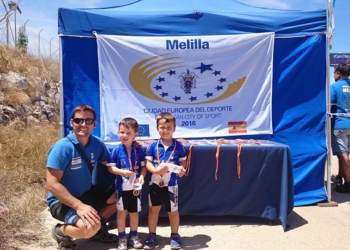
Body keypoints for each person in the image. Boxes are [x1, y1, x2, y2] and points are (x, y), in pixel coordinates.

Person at [46, 104, 118, 250]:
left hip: (86, 194)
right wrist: (79, 206)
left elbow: (110, 164)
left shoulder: (96, 144)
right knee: (90, 228)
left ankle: (99, 229)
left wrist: (133, 152)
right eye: (78, 121)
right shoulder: (62, 148)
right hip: (62, 202)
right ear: (72, 123)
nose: (83, 125)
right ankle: (60, 232)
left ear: (94, 124)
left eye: (88, 121)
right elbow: (52, 185)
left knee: (122, 197)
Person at [143, 112, 187, 250]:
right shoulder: (152, 146)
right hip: (155, 184)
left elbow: (183, 163)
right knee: (153, 209)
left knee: (172, 211)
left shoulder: (179, 146)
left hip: (171, 185)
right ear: (157, 128)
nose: (165, 130)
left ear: (174, 128)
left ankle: (174, 235)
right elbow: (147, 163)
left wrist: (182, 170)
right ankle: (151, 234)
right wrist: (155, 171)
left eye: (169, 127)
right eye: (162, 127)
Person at [106, 117, 147, 250]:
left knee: (134, 213)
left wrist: (142, 176)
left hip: (135, 188)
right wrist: (121, 172)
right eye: (122, 132)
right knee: (122, 213)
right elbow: (110, 168)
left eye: (128, 133)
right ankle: (122, 237)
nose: (124, 135)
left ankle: (133, 236)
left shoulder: (139, 150)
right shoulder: (116, 150)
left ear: (136, 134)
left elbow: (144, 166)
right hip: (121, 188)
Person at [330, 63, 350, 193]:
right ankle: (340, 178)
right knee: (344, 153)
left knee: (342, 154)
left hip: (340, 124)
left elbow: (329, 105)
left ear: (338, 73)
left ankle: (348, 183)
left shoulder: (334, 87)